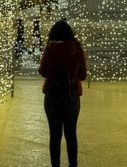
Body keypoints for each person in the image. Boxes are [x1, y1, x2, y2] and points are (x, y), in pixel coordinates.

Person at [39, 20, 88, 167]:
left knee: (55, 135)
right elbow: (83, 75)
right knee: (71, 134)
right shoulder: (77, 49)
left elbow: (42, 71)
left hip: (52, 98)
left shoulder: (49, 48)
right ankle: (73, 164)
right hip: (71, 97)